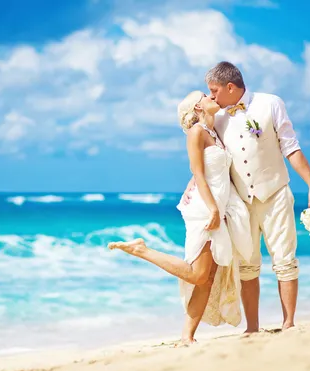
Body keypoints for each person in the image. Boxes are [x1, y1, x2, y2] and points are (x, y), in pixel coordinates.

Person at [182, 61, 310, 333]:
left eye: (214, 90)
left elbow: (291, 148)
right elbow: (208, 161)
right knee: (248, 266)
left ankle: (289, 323)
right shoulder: (217, 119)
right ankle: (252, 328)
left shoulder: (271, 103)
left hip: (275, 194)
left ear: (231, 87)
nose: (211, 96)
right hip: (241, 204)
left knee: (284, 259)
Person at [108, 90, 252, 345]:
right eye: (205, 96)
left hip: (217, 204)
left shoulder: (214, 132)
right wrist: (213, 210)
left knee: (207, 276)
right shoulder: (197, 132)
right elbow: (198, 172)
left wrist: (218, 204)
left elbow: (208, 169)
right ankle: (142, 250)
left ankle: (187, 336)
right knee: (198, 275)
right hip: (204, 208)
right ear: (197, 107)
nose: (211, 96)